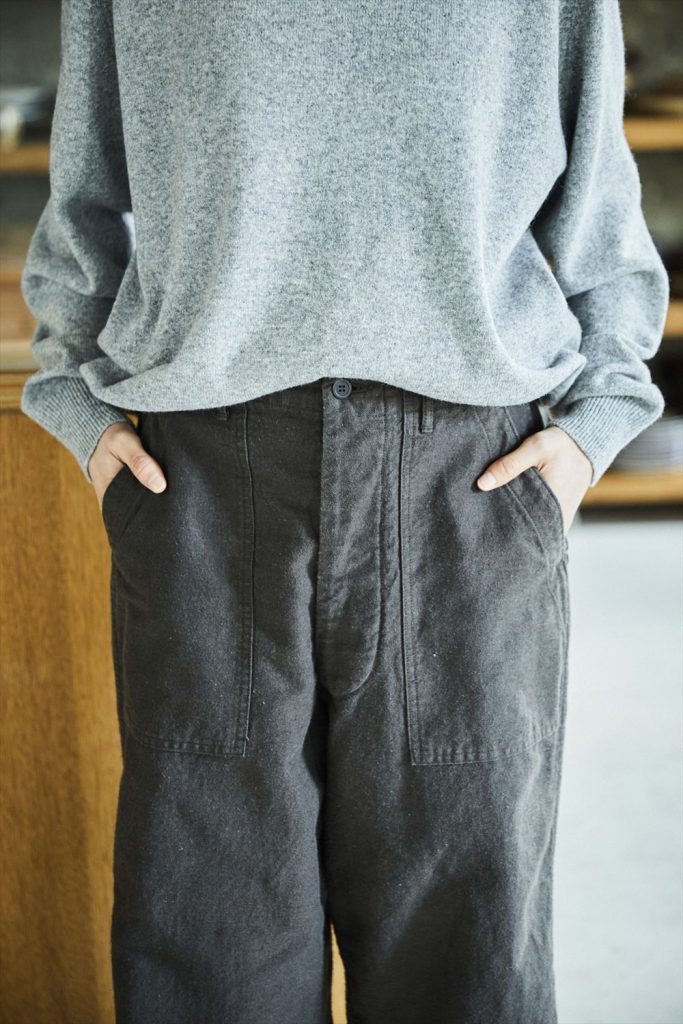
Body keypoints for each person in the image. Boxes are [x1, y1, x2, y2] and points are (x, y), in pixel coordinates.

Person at [19, 1, 668, 1022]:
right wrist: (77, 404)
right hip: (205, 483)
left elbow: (597, 198)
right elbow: (88, 190)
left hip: (465, 480)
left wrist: (594, 425)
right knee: (210, 939)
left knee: (462, 943)